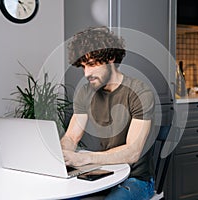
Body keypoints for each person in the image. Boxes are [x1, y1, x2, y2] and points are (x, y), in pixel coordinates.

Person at [61, 26, 156, 200]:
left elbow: (132, 152)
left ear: (110, 58)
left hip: (135, 179)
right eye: (83, 66)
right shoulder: (85, 92)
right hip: (102, 171)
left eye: (91, 65)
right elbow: (71, 137)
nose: (87, 73)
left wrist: (83, 159)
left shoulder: (140, 92)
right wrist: (63, 154)